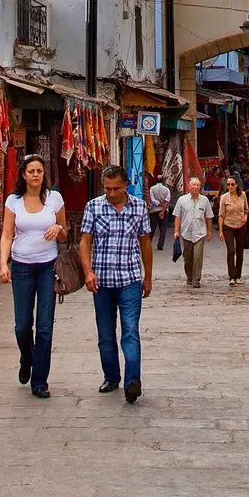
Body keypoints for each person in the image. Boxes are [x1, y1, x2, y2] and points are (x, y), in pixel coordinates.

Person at [78, 164, 154, 403]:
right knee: (105, 334)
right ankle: (111, 376)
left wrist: (148, 275)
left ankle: (133, 381)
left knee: (130, 330)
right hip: (102, 281)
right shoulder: (94, 207)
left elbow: (145, 243)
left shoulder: (139, 207)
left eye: (116, 189)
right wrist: (88, 272)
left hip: (130, 279)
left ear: (126, 185)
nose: (111, 194)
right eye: (107, 189)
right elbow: (85, 241)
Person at [0, 154, 68, 398]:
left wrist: (58, 228)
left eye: (39, 171)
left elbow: (65, 233)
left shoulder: (54, 199)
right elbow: (7, 234)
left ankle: (40, 381)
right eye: (31, 171)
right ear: (24, 175)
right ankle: (27, 358)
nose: (35, 175)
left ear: (43, 174)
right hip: (21, 268)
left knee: (45, 327)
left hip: (48, 268)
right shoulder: (13, 201)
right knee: (22, 326)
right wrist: (2, 264)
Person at [171, 175, 215, 287]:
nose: (196, 187)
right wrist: (176, 231)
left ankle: (196, 279)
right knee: (188, 257)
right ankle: (189, 277)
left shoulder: (204, 200)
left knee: (198, 256)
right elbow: (177, 216)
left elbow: (209, 217)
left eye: (198, 185)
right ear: (189, 186)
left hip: (200, 233)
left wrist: (209, 231)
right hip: (186, 233)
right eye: (194, 185)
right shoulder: (182, 200)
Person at [218, 175, 249, 284]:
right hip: (228, 225)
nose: (230, 186)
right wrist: (221, 231)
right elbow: (221, 215)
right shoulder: (224, 197)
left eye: (232, 184)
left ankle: (238, 275)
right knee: (231, 250)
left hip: (241, 226)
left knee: (239, 251)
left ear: (237, 185)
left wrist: (245, 216)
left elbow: (246, 209)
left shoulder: (243, 196)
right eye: (228, 184)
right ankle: (232, 276)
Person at [147, 175, 173, 251]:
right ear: (163, 181)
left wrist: (158, 204)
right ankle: (160, 245)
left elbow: (152, 199)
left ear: (156, 180)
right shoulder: (166, 189)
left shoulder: (152, 188)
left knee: (152, 227)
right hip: (164, 210)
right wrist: (163, 209)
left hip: (154, 210)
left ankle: (148, 243)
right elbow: (167, 200)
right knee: (163, 228)